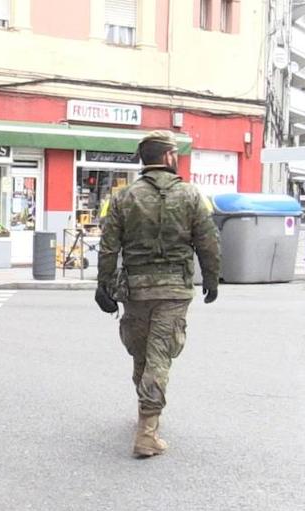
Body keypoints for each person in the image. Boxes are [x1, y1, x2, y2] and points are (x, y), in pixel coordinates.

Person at [96, 130, 220, 458]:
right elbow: (208, 242)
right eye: (175, 153)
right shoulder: (192, 195)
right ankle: (147, 431)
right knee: (159, 355)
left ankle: (146, 414)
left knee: (142, 353)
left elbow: (108, 247)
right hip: (174, 290)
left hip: (135, 289)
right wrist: (211, 279)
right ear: (167, 157)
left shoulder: (123, 197)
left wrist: (103, 284)